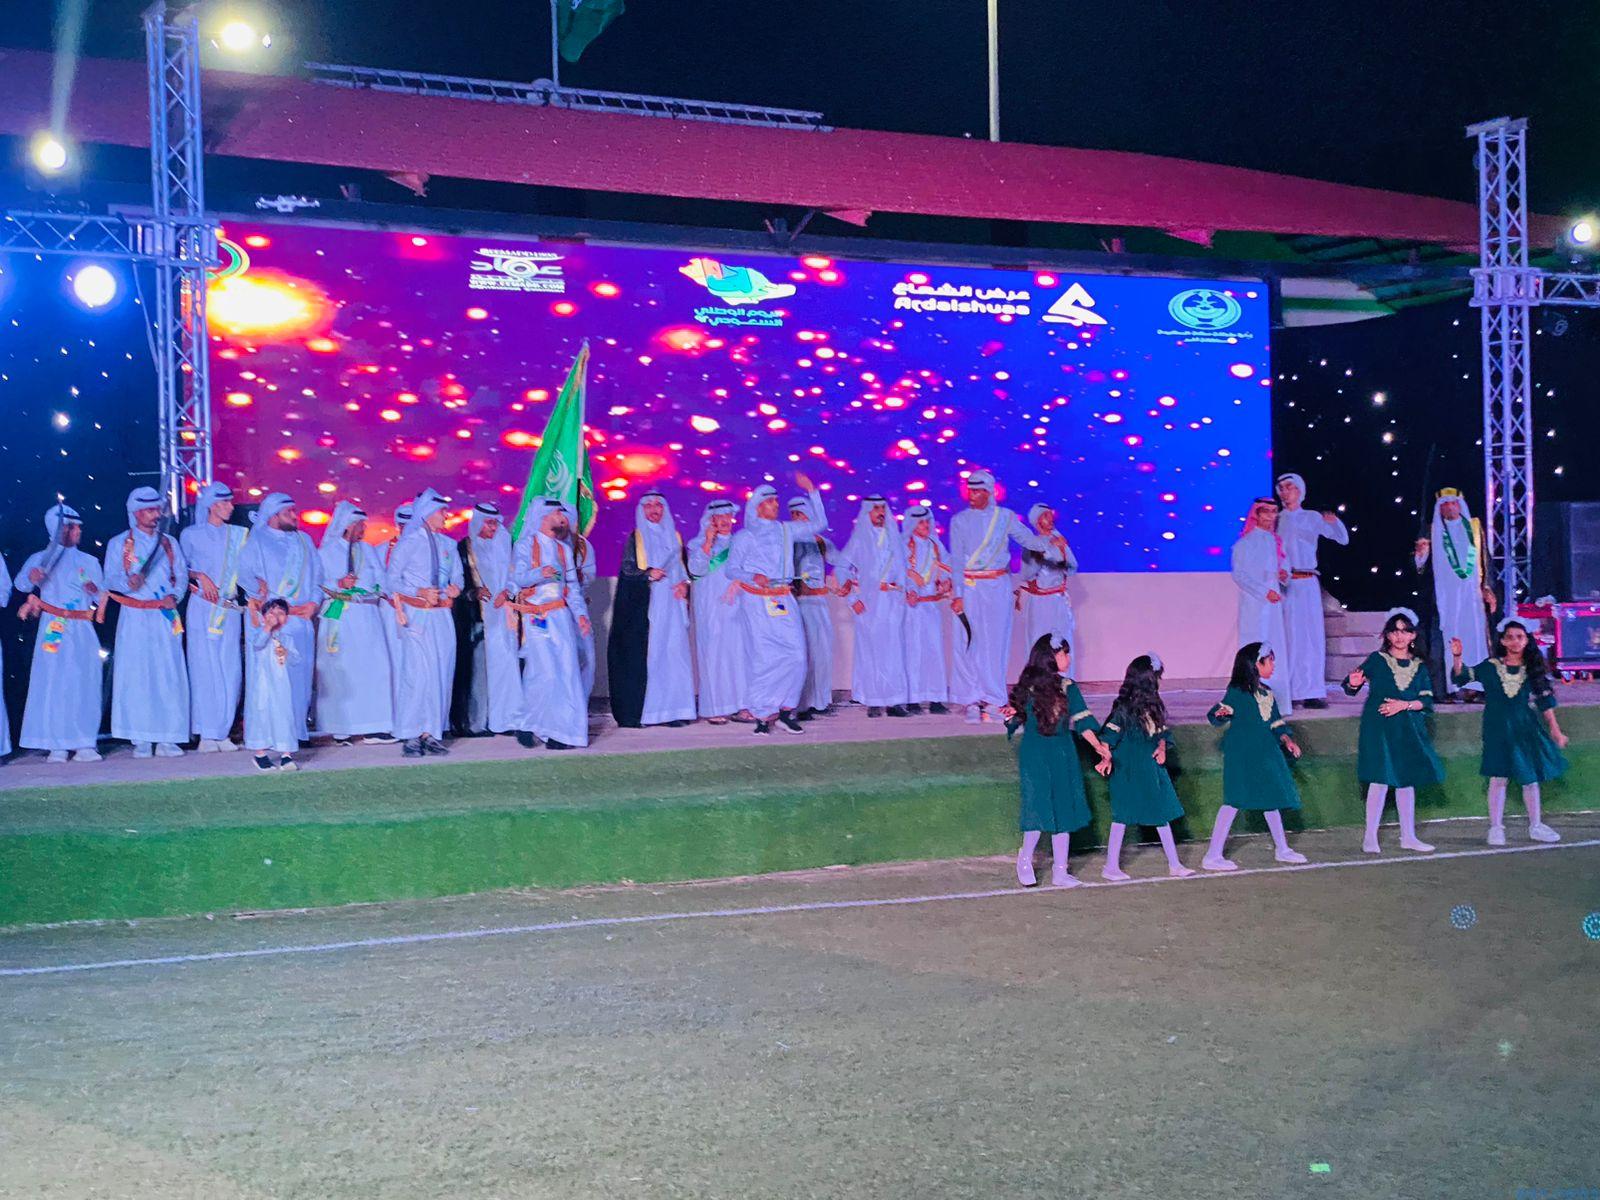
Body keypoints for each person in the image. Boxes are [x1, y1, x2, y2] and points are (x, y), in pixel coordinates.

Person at [947, 470, 1060, 724]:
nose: (972, 495)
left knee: (995, 643)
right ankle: (971, 700)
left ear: (989, 492)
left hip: (997, 586)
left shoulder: (1005, 517)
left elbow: (1029, 541)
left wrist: (1050, 541)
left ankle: (994, 699)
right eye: (970, 490)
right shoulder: (959, 521)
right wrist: (957, 594)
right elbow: (956, 561)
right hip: (970, 587)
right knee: (968, 643)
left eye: (978, 490)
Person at [1000, 635, 1111, 888]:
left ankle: (1061, 870)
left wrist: (1098, 746)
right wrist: (1011, 715)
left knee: (1064, 806)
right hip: (1035, 753)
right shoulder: (1029, 686)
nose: (1068, 658)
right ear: (1050, 656)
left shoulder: (1068, 686)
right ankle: (1025, 860)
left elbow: (1082, 720)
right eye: (1063, 653)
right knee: (1038, 805)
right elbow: (1016, 716)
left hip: (1063, 752)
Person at [1451, 618, 1567, 845]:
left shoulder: (1532, 669)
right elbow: (1463, 676)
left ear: (1527, 640)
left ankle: (1536, 826)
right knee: (1498, 777)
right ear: (1503, 641)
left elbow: (1545, 701)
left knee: (1529, 777)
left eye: (1520, 637)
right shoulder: (1491, 666)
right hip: (1496, 728)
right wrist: (1457, 656)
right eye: (1510, 637)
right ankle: (1496, 828)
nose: (1515, 641)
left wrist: (1555, 730)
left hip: (1524, 728)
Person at [726, 476, 826, 735]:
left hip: (784, 599)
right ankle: (761, 715)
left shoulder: (785, 530)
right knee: (765, 658)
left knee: (797, 656)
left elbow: (820, 524)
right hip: (756, 602)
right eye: (770, 501)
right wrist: (753, 576)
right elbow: (731, 569)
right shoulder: (745, 536)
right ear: (758, 506)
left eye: (776, 501)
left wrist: (812, 491)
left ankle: (785, 712)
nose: (775, 505)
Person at [1342, 607, 1444, 854]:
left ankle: (1408, 836)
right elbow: (1351, 685)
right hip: (1379, 728)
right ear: (1387, 635)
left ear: (1413, 635)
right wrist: (1353, 683)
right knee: (1380, 779)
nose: (1399, 636)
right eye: (1395, 631)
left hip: (1408, 728)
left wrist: (1403, 705)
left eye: (1405, 631)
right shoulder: (1377, 660)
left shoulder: (1420, 666)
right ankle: (1370, 837)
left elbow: (1426, 701)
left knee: (1406, 781)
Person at [1202, 642, 1308, 870]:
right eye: (1269, 661)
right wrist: (1221, 713)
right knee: (1233, 800)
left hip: (1266, 753)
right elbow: (1218, 713)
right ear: (1255, 664)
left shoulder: (1267, 693)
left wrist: (1287, 740)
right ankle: (1212, 855)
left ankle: (1282, 849)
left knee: (1272, 799)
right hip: (1242, 755)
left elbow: (1276, 722)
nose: (1273, 665)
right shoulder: (1237, 692)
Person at [102, 486, 190, 757]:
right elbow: (109, 579)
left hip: (165, 616)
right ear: (136, 513)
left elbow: (181, 575)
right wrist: (127, 583)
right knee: (137, 674)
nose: (155, 514)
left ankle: (168, 737)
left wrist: (175, 595)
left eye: (157, 509)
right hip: (134, 616)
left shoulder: (169, 543)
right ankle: (140, 738)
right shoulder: (119, 543)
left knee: (168, 673)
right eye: (150, 510)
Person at [14, 503, 104, 762]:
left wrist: (94, 590)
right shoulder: (40, 559)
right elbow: (21, 584)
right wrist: (32, 577)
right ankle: (57, 744)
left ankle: (85, 742)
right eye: (72, 527)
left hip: (82, 627)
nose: (78, 531)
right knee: (54, 681)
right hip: (54, 627)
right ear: (58, 529)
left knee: (85, 681)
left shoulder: (89, 561)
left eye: (78, 527)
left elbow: (101, 596)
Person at [1098, 654, 1195, 880]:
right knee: (1122, 816)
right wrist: (1106, 758)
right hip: (1128, 770)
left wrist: (1162, 747)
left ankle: (1175, 864)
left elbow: (1161, 733)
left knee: (1160, 814)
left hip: (1150, 769)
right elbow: (1108, 737)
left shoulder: (1153, 707)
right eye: (1155, 678)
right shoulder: (1123, 709)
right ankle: (1111, 866)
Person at [239, 492, 321, 742]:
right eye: (289, 512)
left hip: (302, 619)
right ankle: (271, 737)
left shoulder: (305, 541)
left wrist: (314, 603)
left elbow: (318, 577)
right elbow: (243, 574)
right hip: (273, 621)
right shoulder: (257, 541)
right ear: (273, 516)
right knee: (273, 681)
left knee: (300, 677)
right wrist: (260, 595)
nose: (295, 516)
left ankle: (296, 734)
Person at [609, 492, 695, 729]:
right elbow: (628, 569)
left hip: (673, 605)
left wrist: (684, 585)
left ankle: (674, 711)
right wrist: (648, 573)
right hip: (648, 606)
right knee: (653, 656)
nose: (654, 510)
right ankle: (648, 713)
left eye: (658, 505)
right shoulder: (635, 538)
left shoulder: (675, 537)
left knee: (674, 655)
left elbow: (682, 570)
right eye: (648, 506)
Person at [511, 497, 592, 749]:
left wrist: (581, 615)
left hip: (560, 617)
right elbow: (518, 578)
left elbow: (572, 588)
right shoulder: (525, 545)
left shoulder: (563, 550)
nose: (562, 518)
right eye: (558, 513)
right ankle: (530, 724)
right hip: (536, 618)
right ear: (543, 516)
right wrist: (540, 573)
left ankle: (564, 732)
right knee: (542, 673)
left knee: (566, 671)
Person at [314, 501, 396, 746]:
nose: (364, 529)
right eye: (360, 524)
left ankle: (375, 726)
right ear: (348, 525)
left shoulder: (368, 550)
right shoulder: (326, 552)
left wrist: (376, 589)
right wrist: (339, 584)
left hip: (367, 617)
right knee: (343, 670)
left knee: (375, 667)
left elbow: (381, 579)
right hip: (341, 617)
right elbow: (317, 584)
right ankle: (341, 728)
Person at [388, 490, 462, 756]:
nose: (446, 516)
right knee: (416, 674)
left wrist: (456, 588)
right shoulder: (409, 543)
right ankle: (410, 734)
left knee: (441, 673)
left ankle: (431, 732)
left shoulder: (449, 545)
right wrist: (418, 591)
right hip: (417, 617)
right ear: (428, 513)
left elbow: (458, 578)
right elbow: (391, 580)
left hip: (442, 617)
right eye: (442, 511)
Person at [1274, 473, 1348, 708]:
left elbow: (1342, 539)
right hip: (1285, 584)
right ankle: (1290, 691)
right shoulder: (1276, 520)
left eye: (1289, 487)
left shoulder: (1311, 517)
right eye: (1281, 488)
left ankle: (1312, 690)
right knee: (1289, 637)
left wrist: (1334, 522)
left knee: (1311, 637)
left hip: (1307, 583)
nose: (1285, 492)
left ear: (1300, 491)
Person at [1415, 488, 1495, 701]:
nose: (1450, 507)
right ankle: (1446, 690)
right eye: (1445, 504)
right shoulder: (1432, 530)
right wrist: (1421, 555)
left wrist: (1487, 588)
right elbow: (1420, 568)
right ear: (1439, 509)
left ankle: (1475, 688)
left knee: (1474, 640)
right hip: (1444, 599)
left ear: (1460, 505)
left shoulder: (1475, 527)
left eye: (1453, 503)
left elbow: (1485, 560)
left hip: (1472, 597)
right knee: (1447, 641)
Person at [840, 495, 912, 718]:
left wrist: (908, 591)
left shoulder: (895, 539)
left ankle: (894, 701)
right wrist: (852, 599)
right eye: (875, 508)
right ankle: (873, 700)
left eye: (882, 508)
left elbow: (904, 571)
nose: (880, 512)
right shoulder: (859, 539)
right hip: (869, 604)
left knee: (894, 652)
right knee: (871, 652)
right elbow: (841, 569)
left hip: (893, 602)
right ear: (867, 512)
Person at [456, 502, 523, 736]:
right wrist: (473, 593)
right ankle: (478, 723)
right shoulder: (463, 548)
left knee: (507, 669)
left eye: (496, 523)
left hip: (505, 618)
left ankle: (507, 720)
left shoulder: (506, 545)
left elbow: (516, 575)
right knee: (480, 673)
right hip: (478, 621)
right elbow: (456, 583)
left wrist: (508, 591)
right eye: (489, 523)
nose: (493, 528)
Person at [1231, 496, 1293, 717]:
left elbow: (1285, 569)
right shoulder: (1244, 544)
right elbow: (1239, 575)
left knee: (1276, 650)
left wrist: (1284, 576)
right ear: (1256, 514)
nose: (1270, 516)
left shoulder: (1277, 542)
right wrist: (1263, 592)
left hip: (1274, 606)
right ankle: (1251, 702)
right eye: (1265, 511)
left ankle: (1279, 705)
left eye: (1274, 511)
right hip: (1254, 605)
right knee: (1253, 649)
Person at [689, 499, 744, 724]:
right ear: (709, 520)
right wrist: (708, 542)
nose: (724, 521)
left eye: (727, 516)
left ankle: (742, 706)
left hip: (738, 607)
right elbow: (696, 569)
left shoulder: (742, 542)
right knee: (713, 655)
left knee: (739, 655)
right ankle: (714, 707)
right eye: (718, 517)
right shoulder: (697, 544)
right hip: (710, 609)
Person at [790, 494, 843, 720]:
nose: (797, 518)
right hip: (800, 604)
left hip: (820, 604)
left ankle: (820, 702)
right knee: (805, 654)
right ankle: (801, 704)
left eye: (801, 514)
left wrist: (843, 579)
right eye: (794, 515)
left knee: (823, 653)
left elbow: (841, 562)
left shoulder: (821, 541)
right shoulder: (789, 542)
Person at [902, 503, 951, 714]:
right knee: (913, 652)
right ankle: (912, 699)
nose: (925, 525)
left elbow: (947, 566)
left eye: (927, 521)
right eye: (920, 522)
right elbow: (899, 572)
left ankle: (935, 698)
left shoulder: (936, 545)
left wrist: (946, 581)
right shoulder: (903, 546)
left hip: (930, 606)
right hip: (911, 609)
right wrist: (910, 590)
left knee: (934, 651)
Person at [245, 597, 301, 772]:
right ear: (264, 617)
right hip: (263, 685)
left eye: (281, 613)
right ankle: (260, 754)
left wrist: (287, 653)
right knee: (262, 716)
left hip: (282, 686)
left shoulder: (287, 638)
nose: (276, 616)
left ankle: (286, 755)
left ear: (287, 618)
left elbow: (296, 660)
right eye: (271, 613)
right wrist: (267, 627)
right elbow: (257, 644)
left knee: (284, 716)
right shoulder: (259, 633)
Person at [1016, 503, 1078, 651]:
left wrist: (1062, 552)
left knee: (1062, 642)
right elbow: (1026, 574)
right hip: (1040, 603)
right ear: (1037, 521)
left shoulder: (1060, 541)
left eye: (1050, 514)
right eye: (1045, 515)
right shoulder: (1031, 545)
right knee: (1040, 641)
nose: (1050, 518)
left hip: (1059, 601)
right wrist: (1044, 550)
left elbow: (1072, 568)